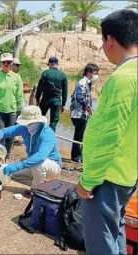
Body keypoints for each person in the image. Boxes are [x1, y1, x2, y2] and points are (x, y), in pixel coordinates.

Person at [77, 10, 138, 255]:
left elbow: (110, 136)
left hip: (106, 178)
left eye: (103, 41)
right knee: (116, 232)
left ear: (110, 40)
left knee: (101, 244)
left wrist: (88, 181)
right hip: (128, 174)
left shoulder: (123, 78)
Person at [0, 106, 62, 187]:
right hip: (33, 163)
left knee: (38, 165)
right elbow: (3, 131)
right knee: (9, 172)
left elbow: (41, 156)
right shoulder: (24, 128)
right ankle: (41, 185)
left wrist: (19, 166)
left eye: (30, 123)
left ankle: (37, 191)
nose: (28, 125)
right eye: (26, 123)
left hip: (52, 166)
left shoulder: (47, 134)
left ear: (38, 121)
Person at [0, 53, 24, 166]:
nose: (6, 64)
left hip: (12, 111)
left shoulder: (16, 77)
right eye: (4, 62)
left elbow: (20, 96)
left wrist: (23, 110)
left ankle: (7, 156)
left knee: (10, 136)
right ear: (1, 63)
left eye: (9, 62)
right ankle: (0, 158)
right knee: (1, 135)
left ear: (12, 64)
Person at [69, 63, 99, 163]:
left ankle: (78, 156)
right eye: (95, 73)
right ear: (89, 73)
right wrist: (88, 107)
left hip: (82, 114)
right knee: (79, 136)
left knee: (81, 135)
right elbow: (79, 97)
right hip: (79, 114)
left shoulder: (87, 83)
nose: (96, 75)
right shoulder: (82, 82)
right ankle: (76, 157)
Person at [35, 57, 68, 132]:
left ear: (49, 64)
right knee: (53, 122)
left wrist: (37, 99)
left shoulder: (45, 73)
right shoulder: (63, 75)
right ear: (57, 64)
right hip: (56, 100)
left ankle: (38, 138)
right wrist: (63, 104)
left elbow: (39, 88)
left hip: (45, 99)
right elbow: (65, 92)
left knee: (40, 119)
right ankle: (50, 139)